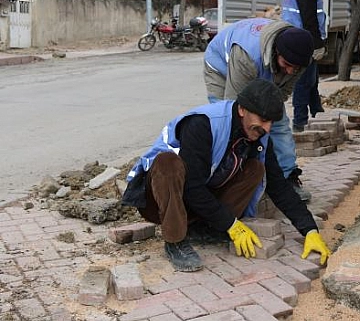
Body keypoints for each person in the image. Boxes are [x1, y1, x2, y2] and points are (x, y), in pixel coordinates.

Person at [122, 79, 331, 272]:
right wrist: (231, 224)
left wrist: (309, 230)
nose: (267, 129)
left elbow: (279, 185)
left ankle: (204, 229)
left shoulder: (258, 136)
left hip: (198, 201)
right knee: (168, 162)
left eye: (271, 123)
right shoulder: (203, 124)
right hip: (159, 200)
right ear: (242, 109)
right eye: (263, 120)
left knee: (256, 169)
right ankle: (175, 241)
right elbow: (192, 186)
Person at [203, 17, 314, 202]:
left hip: (263, 65)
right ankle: (225, 176)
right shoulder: (245, 56)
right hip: (221, 66)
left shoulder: (298, 57)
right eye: (286, 65)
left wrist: (267, 116)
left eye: (296, 68)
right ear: (277, 51)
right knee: (225, 122)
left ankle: (288, 177)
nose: (290, 71)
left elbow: (282, 94)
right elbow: (234, 106)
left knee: (278, 123)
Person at [282, 0, 329, 133]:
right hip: (303, 39)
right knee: (303, 81)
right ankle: (300, 122)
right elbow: (309, 16)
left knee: (311, 79)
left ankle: (316, 110)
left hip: (294, 34)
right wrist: (317, 45)